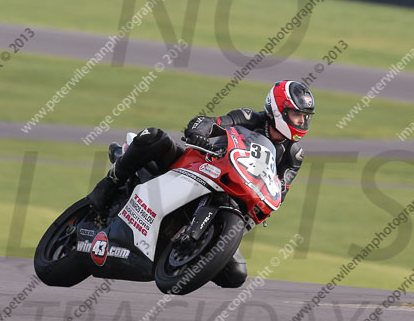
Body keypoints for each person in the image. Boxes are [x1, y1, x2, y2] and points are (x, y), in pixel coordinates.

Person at [88, 80, 314, 288]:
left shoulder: (294, 155)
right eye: (297, 115)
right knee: (154, 137)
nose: (301, 122)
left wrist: (246, 221)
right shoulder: (249, 117)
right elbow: (210, 122)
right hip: (203, 166)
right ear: (278, 110)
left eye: (305, 117)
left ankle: (189, 253)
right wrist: (199, 133)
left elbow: (280, 190)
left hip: (236, 195)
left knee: (235, 274)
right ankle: (108, 184)